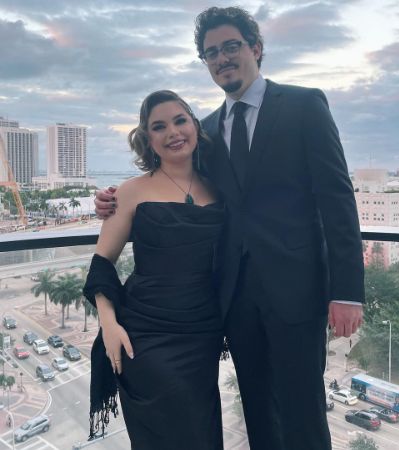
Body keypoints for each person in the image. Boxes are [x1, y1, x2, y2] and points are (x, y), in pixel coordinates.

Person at [95, 6, 365, 450]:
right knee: (258, 410)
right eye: (211, 52)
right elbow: (174, 182)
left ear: (255, 48)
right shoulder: (205, 131)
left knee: (303, 412)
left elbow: (337, 201)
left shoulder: (304, 105)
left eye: (231, 46)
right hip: (234, 302)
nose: (221, 58)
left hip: (297, 293)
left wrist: (347, 292)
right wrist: (111, 199)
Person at [84, 90, 224, 450]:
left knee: (203, 433)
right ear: (147, 139)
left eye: (180, 120)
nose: (173, 132)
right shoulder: (130, 192)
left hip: (202, 335)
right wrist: (109, 325)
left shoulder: (220, 188)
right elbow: (102, 263)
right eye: (159, 127)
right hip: (145, 337)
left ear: (195, 126)